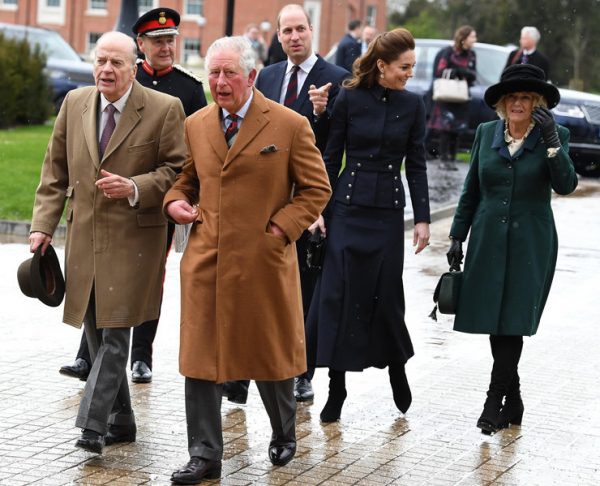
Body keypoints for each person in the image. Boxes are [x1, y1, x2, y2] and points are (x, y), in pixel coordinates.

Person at [165, 36, 331, 484]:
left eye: (228, 73)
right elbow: (186, 180)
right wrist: (175, 201)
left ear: (252, 76)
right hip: (206, 261)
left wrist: (280, 228)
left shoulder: (289, 124)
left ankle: (282, 429)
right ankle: (204, 454)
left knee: (268, 351)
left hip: (263, 261)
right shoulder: (197, 124)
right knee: (200, 358)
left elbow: (317, 189)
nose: (219, 82)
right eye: (212, 73)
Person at [29, 31, 186, 454]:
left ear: (134, 68)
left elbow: (178, 170)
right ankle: (123, 421)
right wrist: (42, 225)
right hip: (85, 237)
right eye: (101, 60)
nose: (106, 69)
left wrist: (135, 186)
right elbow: (54, 170)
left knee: (117, 334)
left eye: (117, 63)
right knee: (96, 331)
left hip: (136, 240)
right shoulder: (75, 103)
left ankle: (92, 425)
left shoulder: (163, 108)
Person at [58, 7, 207, 385]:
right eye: (158, 41)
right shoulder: (82, 100)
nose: (166, 47)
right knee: (98, 289)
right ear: (142, 47)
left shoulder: (186, 90)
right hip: (97, 217)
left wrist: (151, 189)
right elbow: (58, 167)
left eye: (170, 40)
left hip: (147, 213)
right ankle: (92, 366)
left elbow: (190, 156)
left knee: (141, 290)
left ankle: (141, 356)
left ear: (132, 66)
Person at [223, 3, 349, 405]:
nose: (294, 37)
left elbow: (335, 149)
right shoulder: (269, 76)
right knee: (253, 291)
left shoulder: (338, 80)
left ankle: (302, 374)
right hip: (264, 205)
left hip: (309, 206)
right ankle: (241, 376)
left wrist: (322, 114)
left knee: (302, 296)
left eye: (300, 29)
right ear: (278, 36)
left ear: (311, 31)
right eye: (286, 31)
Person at [306, 28, 431, 423]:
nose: (410, 73)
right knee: (338, 296)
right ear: (382, 65)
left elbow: (417, 162)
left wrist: (424, 218)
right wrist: (318, 209)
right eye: (404, 67)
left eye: (412, 67)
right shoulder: (350, 98)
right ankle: (336, 389)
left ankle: (397, 367)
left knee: (387, 296)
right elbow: (331, 155)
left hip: (387, 214)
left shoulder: (413, 105)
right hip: (346, 209)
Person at [446, 64, 577, 435]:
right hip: (487, 239)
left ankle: (493, 401)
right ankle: (514, 401)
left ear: (536, 103)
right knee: (495, 319)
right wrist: (457, 236)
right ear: (503, 103)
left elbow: (566, 185)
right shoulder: (487, 132)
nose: (518, 103)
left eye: (526, 97)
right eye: (512, 97)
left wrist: (552, 143)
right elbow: (471, 187)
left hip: (530, 243)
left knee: (513, 321)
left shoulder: (556, 135)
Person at [427, 25, 477, 169]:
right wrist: (459, 72)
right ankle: (443, 160)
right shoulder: (449, 52)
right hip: (447, 96)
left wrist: (465, 73)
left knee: (457, 130)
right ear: (464, 38)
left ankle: (452, 159)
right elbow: (440, 70)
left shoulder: (472, 54)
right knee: (445, 129)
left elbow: (473, 74)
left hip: (461, 96)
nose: (475, 39)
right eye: (472, 36)